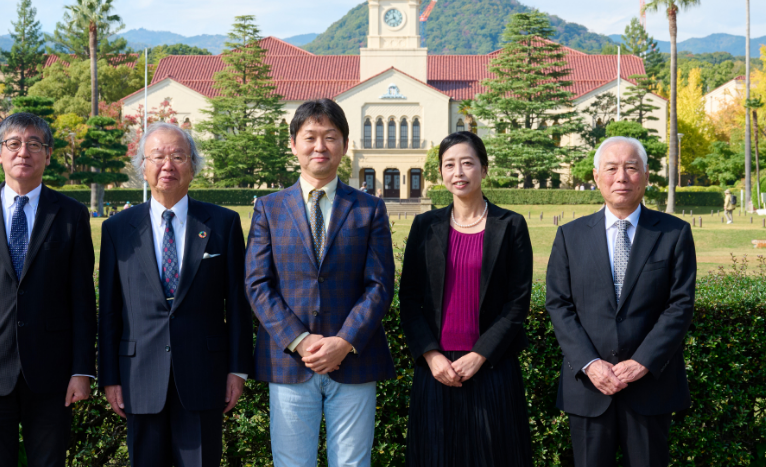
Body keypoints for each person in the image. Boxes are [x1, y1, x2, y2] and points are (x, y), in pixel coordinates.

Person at [245, 99, 395, 467]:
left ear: (344, 144)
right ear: (293, 143)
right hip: (290, 361)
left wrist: (344, 341)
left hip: (354, 361)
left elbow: (379, 284)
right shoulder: (270, 208)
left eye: (330, 137)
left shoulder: (368, 208)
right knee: (292, 462)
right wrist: (302, 339)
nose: (320, 146)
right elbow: (257, 284)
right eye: (310, 137)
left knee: (352, 463)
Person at [0, 112, 96, 467]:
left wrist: (82, 369)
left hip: (53, 372)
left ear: (48, 154)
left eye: (34, 144)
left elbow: (82, 300)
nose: (23, 152)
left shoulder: (71, 214)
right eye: (13, 143)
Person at [98, 122, 253, 467]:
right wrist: (109, 376)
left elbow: (239, 304)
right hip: (138, 377)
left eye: (178, 156)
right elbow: (108, 310)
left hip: (205, 373)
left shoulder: (222, 224)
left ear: (193, 166)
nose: (168, 165)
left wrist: (238, 370)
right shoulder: (117, 229)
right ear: (143, 167)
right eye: (158, 156)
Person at [545, 136, 696, 467]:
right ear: (597, 176)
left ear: (645, 175)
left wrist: (642, 361)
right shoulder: (570, 236)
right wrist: (591, 363)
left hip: (650, 388)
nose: (621, 177)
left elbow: (680, 305)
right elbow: (558, 305)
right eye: (611, 168)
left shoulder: (674, 233)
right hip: (589, 387)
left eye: (631, 168)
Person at [399, 132, 533, 466]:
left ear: (484, 169)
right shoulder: (424, 226)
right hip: (437, 370)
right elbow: (409, 300)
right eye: (449, 165)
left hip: (492, 366)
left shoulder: (511, 225)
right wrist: (431, 356)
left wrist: (480, 355)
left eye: (467, 163)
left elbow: (517, 303)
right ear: (441, 173)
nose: (458, 172)